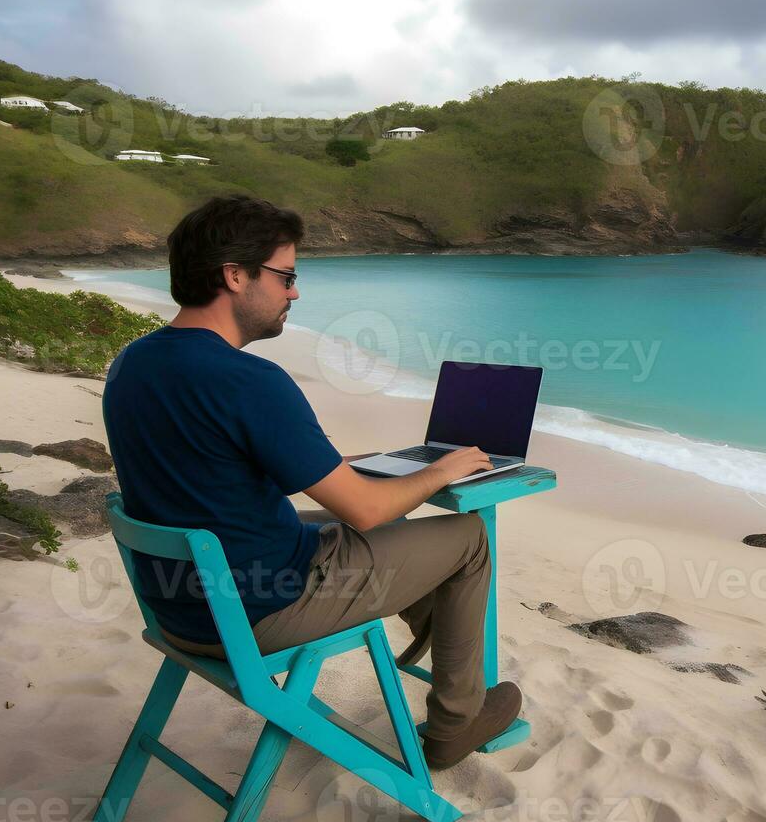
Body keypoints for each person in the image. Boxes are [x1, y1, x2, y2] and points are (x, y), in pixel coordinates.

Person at [102, 193, 520, 770]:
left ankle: (433, 621)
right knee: (467, 537)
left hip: (182, 606)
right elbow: (365, 512)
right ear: (234, 275)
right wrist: (440, 469)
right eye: (286, 276)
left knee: (381, 515)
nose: (294, 293)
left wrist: (360, 477)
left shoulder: (133, 362)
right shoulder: (248, 380)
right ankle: (456, 726)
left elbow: (219, 470)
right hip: (256, 609)